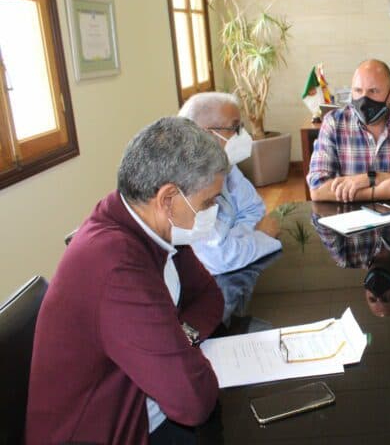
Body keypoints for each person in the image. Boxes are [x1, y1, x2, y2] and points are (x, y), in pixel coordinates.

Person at [26, 117, 228, 444]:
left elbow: (209, 297)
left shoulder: (154, 224)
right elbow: (193, 401)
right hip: (108, 430)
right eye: (207, 202)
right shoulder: (115, 264)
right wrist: (175, 349)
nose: (213, 210)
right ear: (167, 199)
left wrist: (179, 336)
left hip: (142, 409)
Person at [179, 92, 282, 325]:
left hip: (229, 284)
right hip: (195, 303)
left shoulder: (227, 166)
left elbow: (255, 209)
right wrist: (260, 235)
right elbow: (222, 258)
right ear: (204, 133)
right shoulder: (186, 181)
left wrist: (231, 237)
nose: (242, 136)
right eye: (234, 128)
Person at [307, 59, 390, 202]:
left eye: (374, 91)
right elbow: (317, 189)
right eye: (358, 91)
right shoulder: (333, 122)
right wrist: (377, 193)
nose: (364, 100)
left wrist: (373, 178)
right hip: (351, 219)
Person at [311, 197, 390, 316]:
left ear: (366, 294)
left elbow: (319, 217)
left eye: (372, 299)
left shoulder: (346, 256)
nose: (377, 293)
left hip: (350, 191)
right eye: (387, 298)